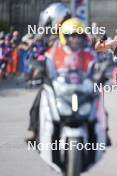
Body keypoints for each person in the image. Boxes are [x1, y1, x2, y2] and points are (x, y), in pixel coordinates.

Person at [26, 2, 72, 141]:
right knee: (37, 106)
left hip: (76, 78)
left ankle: (100, 132)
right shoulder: (49, 39)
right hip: (55, 79)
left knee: (94, 100)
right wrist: (38, 69)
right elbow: (41, 56)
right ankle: (36, 133)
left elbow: (88, 51)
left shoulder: (76, 33)